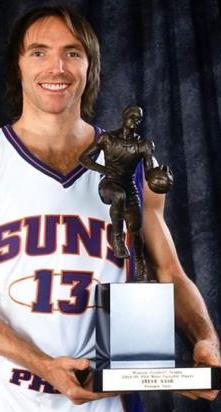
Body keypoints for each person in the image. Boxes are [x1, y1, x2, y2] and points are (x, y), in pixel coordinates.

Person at [0, 6, 221, 412]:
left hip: (105, 403)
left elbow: (169, 273)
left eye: (72, 53)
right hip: (5, 401)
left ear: (90, 67)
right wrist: (42, 364)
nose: (57, 67)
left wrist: (205, 338)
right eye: (39, 52)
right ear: (18, 65)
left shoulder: (132, 169)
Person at [79, 104, 174, 281]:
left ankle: (139, 262)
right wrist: (104, 169)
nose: (135, 121)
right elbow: (84, 158)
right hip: (109, 184)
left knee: (135, 226)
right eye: (132, 116)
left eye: (138, 118)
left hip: (129, 186)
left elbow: (148, 173)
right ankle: (117, 238)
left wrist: (162, 176)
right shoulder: (107, 139)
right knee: (118, 196)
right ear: (124, 116)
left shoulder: (143, 145)